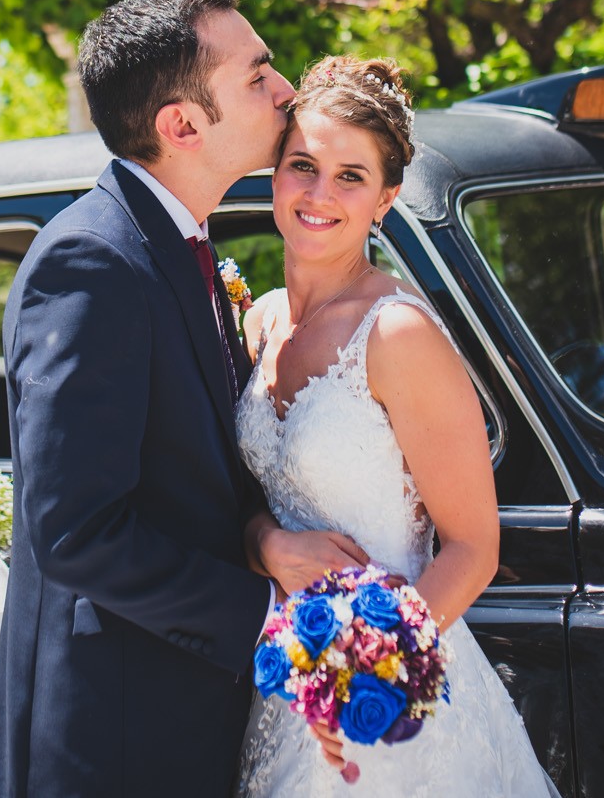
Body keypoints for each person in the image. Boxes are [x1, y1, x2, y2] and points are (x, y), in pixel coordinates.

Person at [0, 0, 363, 798]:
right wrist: (269, 617)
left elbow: (193, 477)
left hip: (187, 719)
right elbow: (77, 530)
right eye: (258, 76)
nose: (285, 90)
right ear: (181, 124)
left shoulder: (178, 246)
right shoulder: (91, 262)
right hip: (116, 742)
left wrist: (264, 539)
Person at [235, 56, 560, 796]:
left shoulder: (398, 332)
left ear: (385, 198)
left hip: (391, 692)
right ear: (275, 174)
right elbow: (246, 496)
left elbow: (474, 546)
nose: (319, 193)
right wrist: (266, 544)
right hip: (283, 686)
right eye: (302, 165)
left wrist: (362, 669)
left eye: (351, 176)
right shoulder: (258, 324)